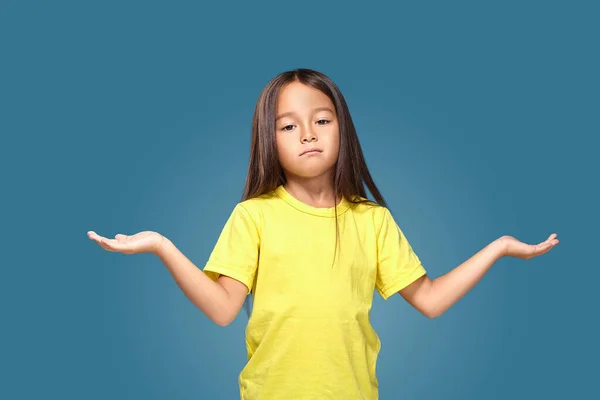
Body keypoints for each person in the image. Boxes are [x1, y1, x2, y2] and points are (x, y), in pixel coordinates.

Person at [88, 68, 559, 400]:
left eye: (322, 120)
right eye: (289, 125)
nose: (308, 133)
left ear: (342, 129)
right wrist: (161, 246)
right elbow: (222, 308)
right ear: (268, 140)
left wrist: (497, 248)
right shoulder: (253, 216)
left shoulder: (372, 221)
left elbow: (431, 300)